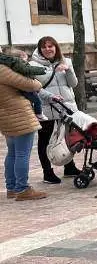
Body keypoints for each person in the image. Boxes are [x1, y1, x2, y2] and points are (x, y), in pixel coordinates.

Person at [1, 49, 53, 201]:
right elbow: (31, 85)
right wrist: (36, 82)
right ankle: (22, 189)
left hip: (5, 117)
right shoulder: (3, 70)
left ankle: (11, 188)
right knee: (22, 153)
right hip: (19, 115)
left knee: (12, 153)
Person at [30, 37, 81, 184]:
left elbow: (73, 83)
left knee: (66, 138)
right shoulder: (33, 65)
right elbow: (35, 88)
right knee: (45, 141)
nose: (48, 49)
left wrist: (68, 69)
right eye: (44, 47)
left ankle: (69, 167)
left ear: (56, 47)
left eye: (50, 46)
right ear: (39, 50)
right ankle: (47, 172)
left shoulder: (66, 61)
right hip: (46, 109)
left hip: (66, 107)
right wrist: (53, 72)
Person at [0, 49, 44, 118]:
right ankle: (39, 115)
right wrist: (39, 82)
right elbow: (32, 85)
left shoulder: (9, 66)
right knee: (37, 101)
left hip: (11, 113)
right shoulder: (6, 69)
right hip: (19, 115)